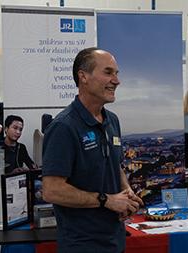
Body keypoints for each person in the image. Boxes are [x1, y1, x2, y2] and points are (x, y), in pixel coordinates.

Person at [42, 47, 143, 253]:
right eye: (108, 72)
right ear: (83, 76)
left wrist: (126, 191)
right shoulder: (64, 127)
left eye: (116, 73)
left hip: (114, 240)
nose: (116, 80)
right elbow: (52, 190)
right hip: (82, 244)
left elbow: (113, 164)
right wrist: (107, 200)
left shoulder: (112, 120)